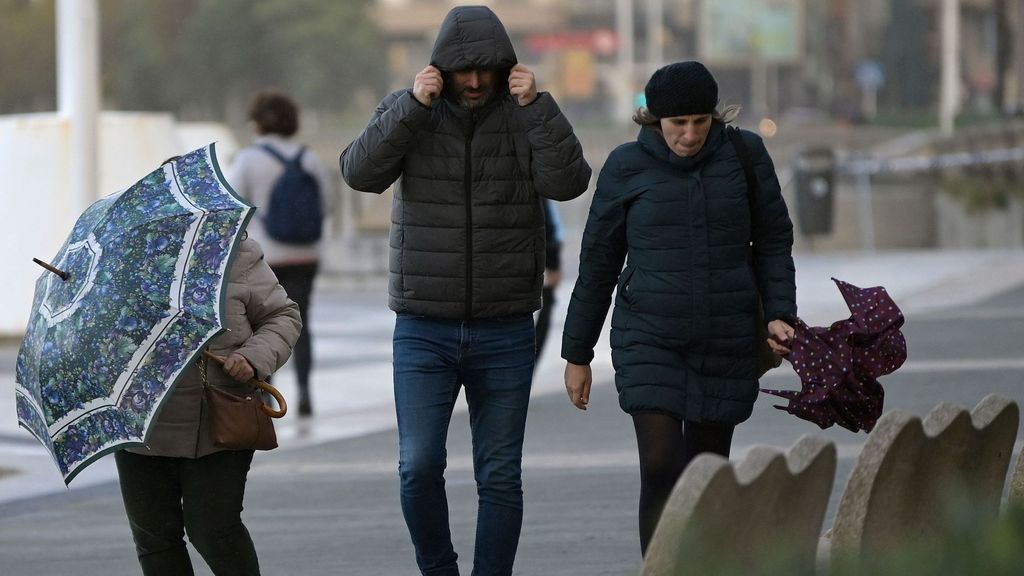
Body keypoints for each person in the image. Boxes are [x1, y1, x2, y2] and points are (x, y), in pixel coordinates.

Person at [340, 5, 591, 575]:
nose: (474, 81)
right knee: (418, 466)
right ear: (441, 69)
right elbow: (359, 173)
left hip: (504, 327)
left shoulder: (523, 113)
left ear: (505, 67)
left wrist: (538, 107)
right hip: (423, 327)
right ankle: (439, 570)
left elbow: (569, 181)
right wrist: (411, 105)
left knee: (499, 473)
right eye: (462, 71)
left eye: (485, 70)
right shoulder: (410, 109)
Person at [560, 61, 797, 556]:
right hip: (649, 336)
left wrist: (779, 312)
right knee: (663, 463)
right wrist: (577, 352)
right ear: (653, 120)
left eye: (699, 122)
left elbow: (773, 239)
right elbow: (598, 262)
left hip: (726, 333)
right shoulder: (626, 166)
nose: (689, 135)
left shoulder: (745, 154)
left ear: (715, 117)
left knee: (707, 471)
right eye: (677, 125)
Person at [114, 191, 302, 575]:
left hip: (221, 416)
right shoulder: (125, 261)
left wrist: (252, 358)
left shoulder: (237, 253)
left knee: (213, 529)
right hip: (141, 420)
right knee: (155, 539)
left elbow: (283, 316)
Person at [228, 89, 333, 417]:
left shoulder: (247, 159)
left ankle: (266, 393)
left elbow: (232, 207)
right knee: (300, 323)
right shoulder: (309, 158)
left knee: (261, 328)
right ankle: (304, 392)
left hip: (265, 260)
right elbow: (326, 205)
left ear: (256, 122)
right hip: (306, 256)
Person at [534, 198, 564, 362]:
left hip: (545, 264)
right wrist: (553, 266)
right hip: (543, 267)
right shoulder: (541, 198)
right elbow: (550, 229)